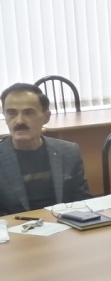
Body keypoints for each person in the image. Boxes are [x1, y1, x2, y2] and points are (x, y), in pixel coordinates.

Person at [0, 82, 91, 214]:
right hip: (15, 225)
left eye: (28, 113)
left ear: (46, 117)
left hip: (64, 223)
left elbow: (83, 200)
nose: (19, 121)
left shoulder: (68, 151)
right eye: (11, 113)